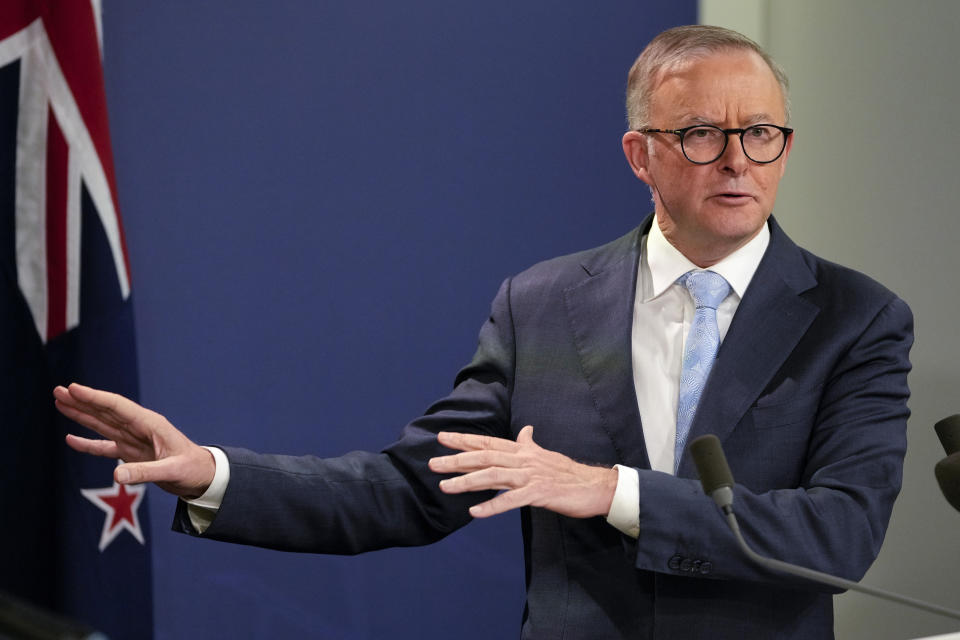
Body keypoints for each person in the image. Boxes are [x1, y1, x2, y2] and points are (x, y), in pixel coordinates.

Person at [54, 25, 912, 640]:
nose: (736, 159)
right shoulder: (541, 303)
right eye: (700, 134)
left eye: (759, 132)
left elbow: (838, 537)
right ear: (639, 154)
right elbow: (410, 489)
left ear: (785, 146)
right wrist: (212, 472)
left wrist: (612, 490)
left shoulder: (855, 318)